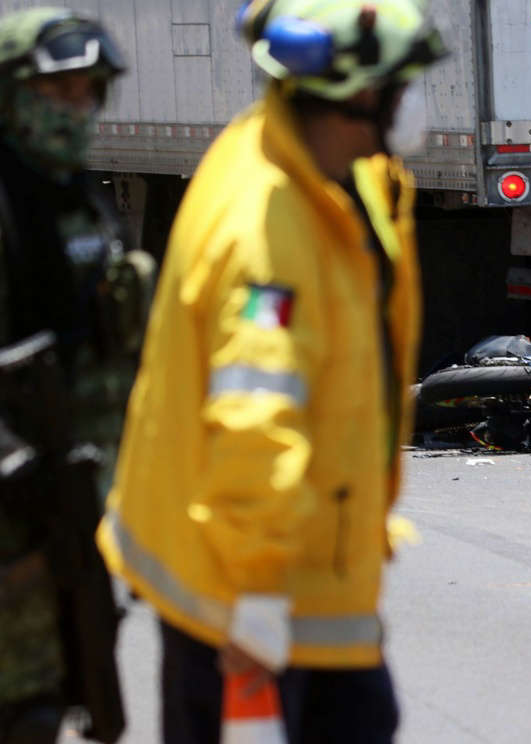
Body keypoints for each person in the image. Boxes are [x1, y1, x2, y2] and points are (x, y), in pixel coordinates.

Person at [96, 1, 446, 741]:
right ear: (355, 95)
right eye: (403, 82)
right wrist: (253, 601)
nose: (416, 99)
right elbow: (255, 413)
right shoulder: (268, 233)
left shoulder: (320, 168)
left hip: (302, 569)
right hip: (249, 589)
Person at [0, 7, 141, 743]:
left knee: (62, 690)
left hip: (69, 511)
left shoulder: (80, 201)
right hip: (14, 511)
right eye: (59, 92)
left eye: (90, 92)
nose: (76, 110)